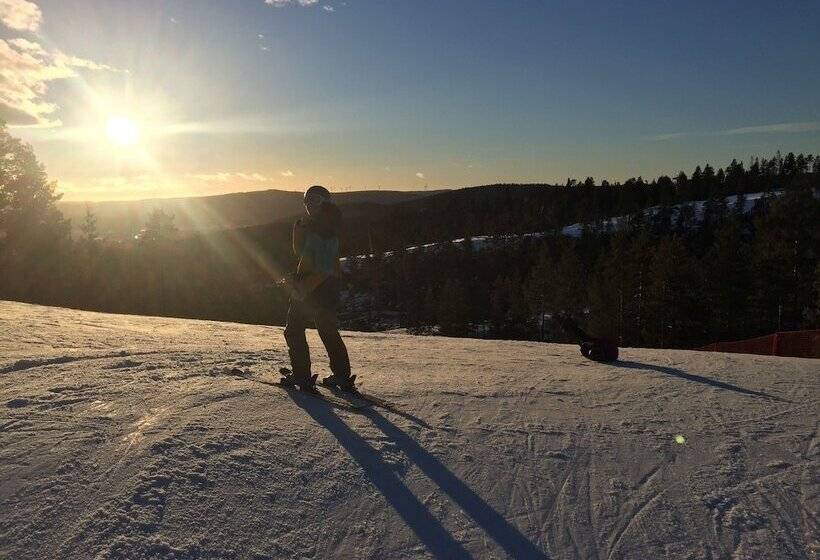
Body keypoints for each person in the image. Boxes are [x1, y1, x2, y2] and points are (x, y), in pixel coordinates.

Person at [282, 186, 354, 390]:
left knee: (294, 330)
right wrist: (299, 230)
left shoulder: (323, 229)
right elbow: (302, 254)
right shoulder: (322, 224)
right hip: (325, 286)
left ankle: (301, 375)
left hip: (313, 286)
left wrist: (303, 288)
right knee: (327, 329)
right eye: (307, 201)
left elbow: (323, 267)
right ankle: (341, 374)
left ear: (326, 201)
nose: (310, 205)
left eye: (315, 200)